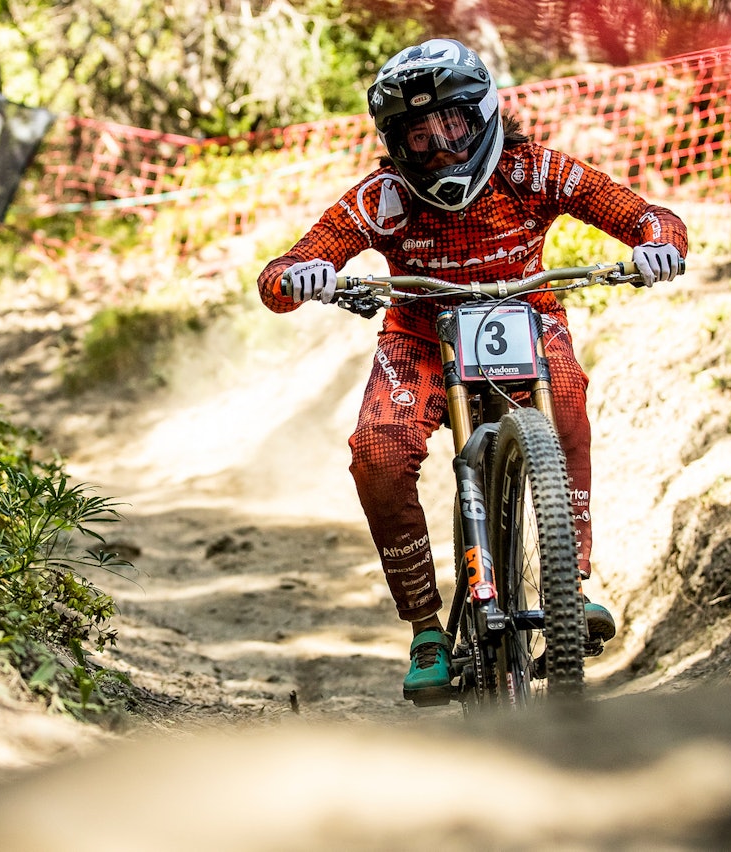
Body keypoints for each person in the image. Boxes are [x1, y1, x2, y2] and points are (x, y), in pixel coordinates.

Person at [256, 38, 687, 701]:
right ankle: (426, 630)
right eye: (419, 137)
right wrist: (304, 276)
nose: (440, 149)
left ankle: (569, 591)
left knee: (566, 405)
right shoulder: (383, 197)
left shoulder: (533, 170)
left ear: (484, 115)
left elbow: (648, 216)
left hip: (528, 313)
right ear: (395, 144)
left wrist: (658, 246)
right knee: (377, 454)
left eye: (453, 125)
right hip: (420, 335)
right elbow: (280, 275)